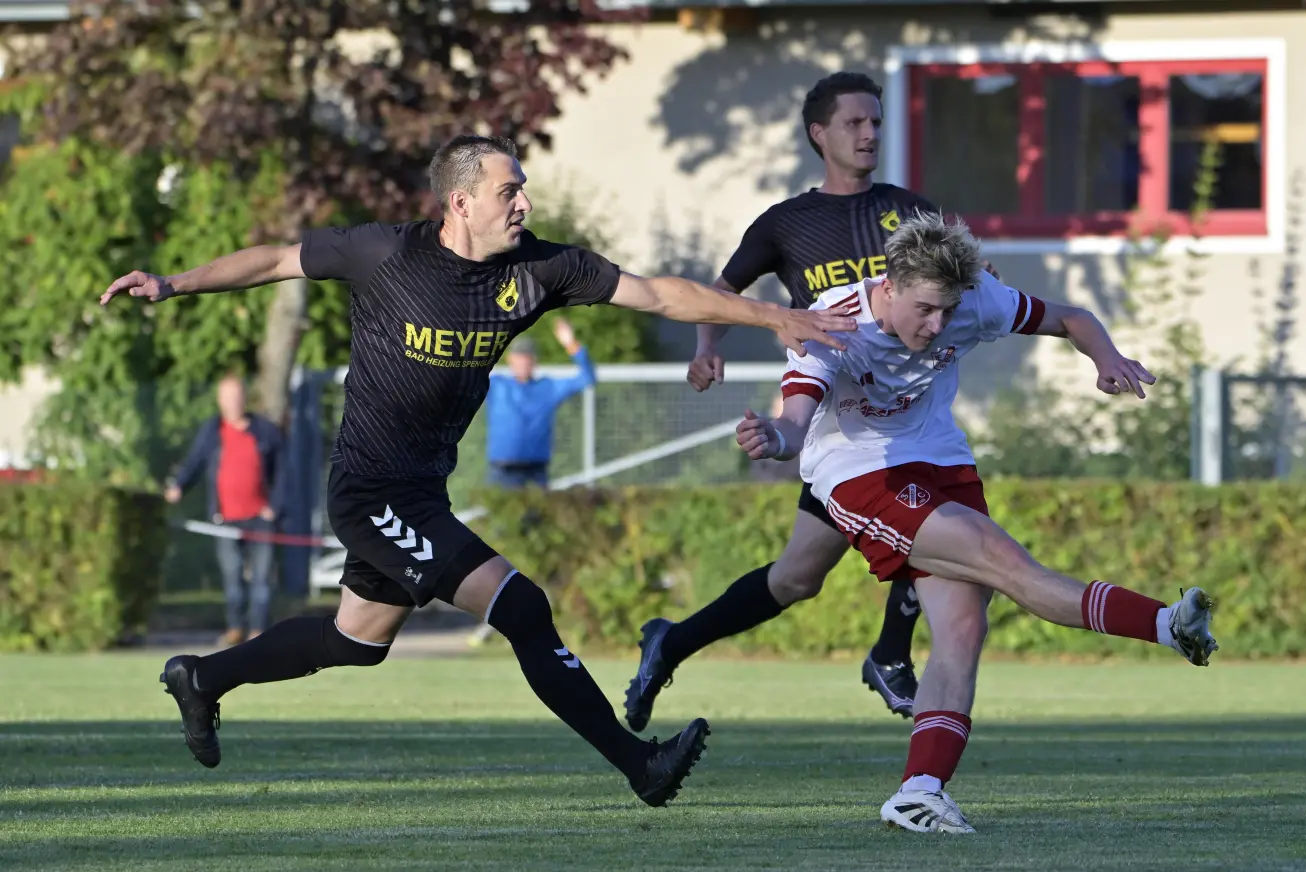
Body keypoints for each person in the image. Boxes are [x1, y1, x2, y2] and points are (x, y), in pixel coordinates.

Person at [97, 134, 854, 808]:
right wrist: (172, 283)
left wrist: (774, 317)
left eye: (523, 186)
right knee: (523, 608)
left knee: (357, 641)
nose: (523, 201)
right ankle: (641, 766)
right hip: (370, 492)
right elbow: (272, 259)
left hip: (421, 491)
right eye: (509, 190)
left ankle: (204, 678)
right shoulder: (385, 253)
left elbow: (657, 293)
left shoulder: (543, 268)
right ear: (460, 201)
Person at [732, 210, 1219, 833]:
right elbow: (796, 423)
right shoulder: (836, 323)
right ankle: (1163, 623)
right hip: (862, 475)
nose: (937, 327)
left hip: (941, 459)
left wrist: (1107, 358)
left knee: (962, 630)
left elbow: (1072, 317)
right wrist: (773, 438)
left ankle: (919, 792)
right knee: (1006, 563)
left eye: (947, 312)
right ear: (890, 282)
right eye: (925, 310)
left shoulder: (976, 300)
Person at [625, 71, 972, 732]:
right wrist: (707, 346)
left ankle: (885, 654)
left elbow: (962, 278)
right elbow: (724, 292)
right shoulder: (787, 223)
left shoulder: (912, 213)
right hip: (836, 430)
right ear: (820, 134)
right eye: (854, 123)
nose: (870, 133)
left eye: (876, 122)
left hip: (901, 418)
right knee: (796, 579)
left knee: (834, 560)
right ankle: (675, 642)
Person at [165, 374, 288, 646]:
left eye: (236, 397)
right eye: (227, 398)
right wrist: (179, 487)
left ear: (245, 398)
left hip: (260, 519)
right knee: (232, 578)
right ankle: (235, 628)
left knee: (261, 580)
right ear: (220, 401)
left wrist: (275, 508)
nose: (232, 403)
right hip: (225, 520)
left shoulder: (266, 431)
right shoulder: (212, 430)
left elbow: (282, 474)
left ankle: (258, 631)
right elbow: (194, 461)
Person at [485, 318, 594, 489]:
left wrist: (570, 344)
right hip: (502, 471)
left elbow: (587, 377)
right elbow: (463, 376)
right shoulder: (496, 385)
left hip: (536, 472)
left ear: (534, 361)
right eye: (519, 357)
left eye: (527, 358)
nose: (523, 362)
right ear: (510, 359)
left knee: (539, 515)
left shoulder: (548, 387)